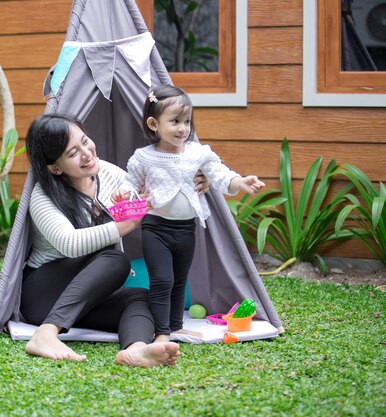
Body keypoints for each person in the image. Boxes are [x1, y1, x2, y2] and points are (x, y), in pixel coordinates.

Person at [21, 113, 208, 367]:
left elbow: (153, 191)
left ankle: (137, 349)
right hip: (43, 294)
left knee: (140, 297)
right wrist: (125, 226)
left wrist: (189, 181)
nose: (87, 153)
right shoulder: (42, 196)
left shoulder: (108, 174)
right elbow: (69, 243)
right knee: (116, 260)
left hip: (85, 298)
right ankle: (46, 334)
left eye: (85, 141)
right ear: (55, 167)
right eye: (72, 153)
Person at [112, 84, 265, 343]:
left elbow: (220, 174)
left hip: (186, 230)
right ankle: (161, 333)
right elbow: (130, 182)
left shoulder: (198, 152)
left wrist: (240, 183)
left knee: (180, 280)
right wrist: (124, 193)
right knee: (162, 280)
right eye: (175, 121)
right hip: (156, 229)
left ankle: (174, 325)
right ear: (153, 124)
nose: (183, 128)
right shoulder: (144, 157)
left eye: (187, 121)